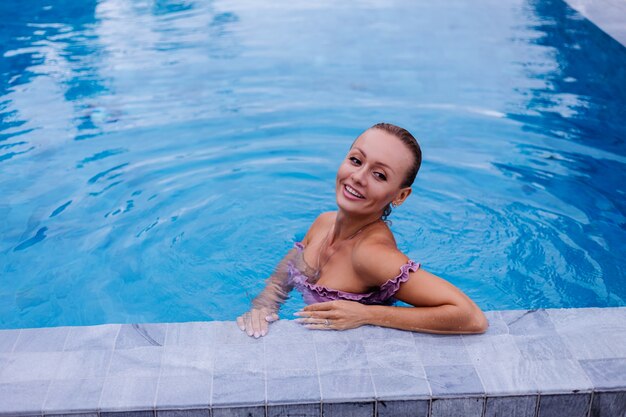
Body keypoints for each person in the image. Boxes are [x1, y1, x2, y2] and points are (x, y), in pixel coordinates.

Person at [237, 122, 488, 338]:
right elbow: (289, 267)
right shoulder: (325, 222)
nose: (358, 176)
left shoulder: (371, 255)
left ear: (400, 196)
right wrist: (266, 304)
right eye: (356, 160)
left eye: (379, 175)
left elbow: (471, 317)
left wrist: (367, 314)